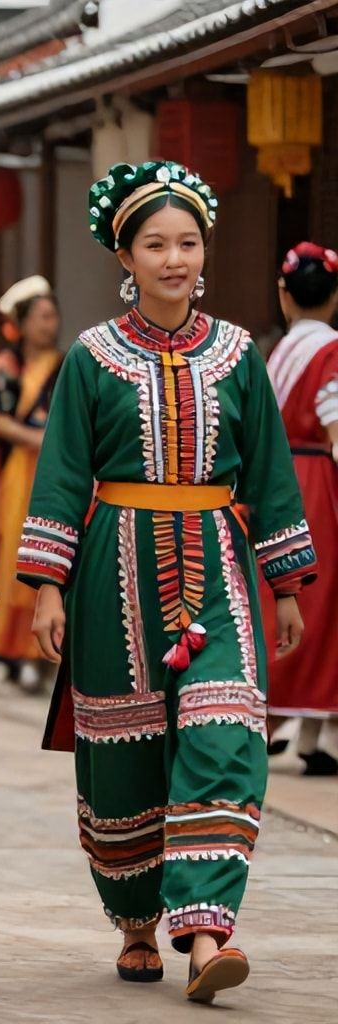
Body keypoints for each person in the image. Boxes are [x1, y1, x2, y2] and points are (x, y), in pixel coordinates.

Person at [21, 161, 313, 1005]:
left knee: (225, 732)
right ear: (127, 255)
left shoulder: (237, 355)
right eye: (156, 244)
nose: (175, 258)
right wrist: (47, 584)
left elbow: (269, 471)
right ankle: (138, 921)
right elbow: (64, 472)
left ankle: (209, 930)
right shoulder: (90, 358)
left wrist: (285, 584)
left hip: (217, 563)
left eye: (187, 242)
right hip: (114, 565)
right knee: (128, 749)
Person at [259, 242, 338, 775]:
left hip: (279, 481)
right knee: (323, 603)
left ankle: (291, 724)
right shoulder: (331, 351)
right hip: (320, 486)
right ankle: (304, 726)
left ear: (284, 295)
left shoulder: (277, 351)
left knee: (281, 598)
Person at [0, 276, 63, 690]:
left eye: (53, 316)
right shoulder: (4, 367)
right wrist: (30, 438)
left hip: (54, 470)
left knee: (55, 552)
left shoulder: (66, 364)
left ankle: (47, 652)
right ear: (24, 322)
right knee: (16, 555)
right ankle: (16, 649)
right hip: (19, 471)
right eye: (42, 317)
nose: (51, 324)